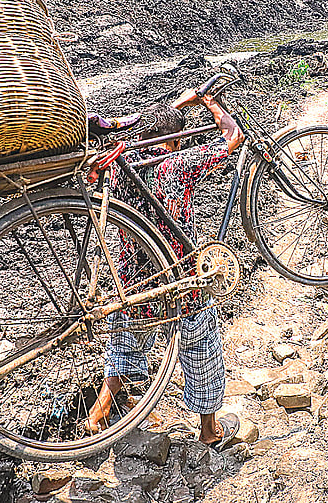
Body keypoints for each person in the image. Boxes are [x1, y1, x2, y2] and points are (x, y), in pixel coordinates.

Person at [83, 86, 245, 447]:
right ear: (173, 142)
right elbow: (233, 137)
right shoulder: (177, 165)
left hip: (135, 286)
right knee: (201, 346)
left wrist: (176, 105)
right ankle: (209, 430)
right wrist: (212, 104)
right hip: (181, 285)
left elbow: (141, 124)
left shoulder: (123, 168)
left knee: (124, 343)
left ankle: (100, 412)